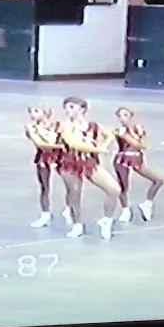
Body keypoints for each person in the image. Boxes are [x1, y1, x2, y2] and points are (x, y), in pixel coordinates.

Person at [57, 96, 121, 240]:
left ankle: (107, 220)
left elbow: (110, 135)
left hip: (89, 161)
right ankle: (77, 224)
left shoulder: (93, 126)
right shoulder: (65, 126)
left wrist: (103, 147)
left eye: (72, 107)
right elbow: (73, 143)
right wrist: (98, 149)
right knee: (74, 193)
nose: (68, 110)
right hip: (71, 162)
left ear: (83, 109)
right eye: (66, 107)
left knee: (114, 189)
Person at [113, 107, 164, 223]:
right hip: (122, 158)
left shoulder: (139, 129)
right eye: (120, 116)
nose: (122, 118)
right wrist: (137, 140)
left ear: (131, 116)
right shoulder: (119, 131)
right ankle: (125, 210)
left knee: (158, 180)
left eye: (125, 115)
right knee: (124, 186)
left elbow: (143, 145)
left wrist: (139, 139)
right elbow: (137, 144)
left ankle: (147, 203)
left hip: (136, 158)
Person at [24, 107, 72, 228]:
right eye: (31, 112)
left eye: (35, 111)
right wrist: (60, 146)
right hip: (43, 157)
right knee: (44, 187)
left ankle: (69, 209)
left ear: (46, 113)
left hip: (61, 157)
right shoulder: (31, 128)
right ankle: (45, 215)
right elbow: (39, 143)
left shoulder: (59, 125)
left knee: (70, 185)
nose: (32, 114)